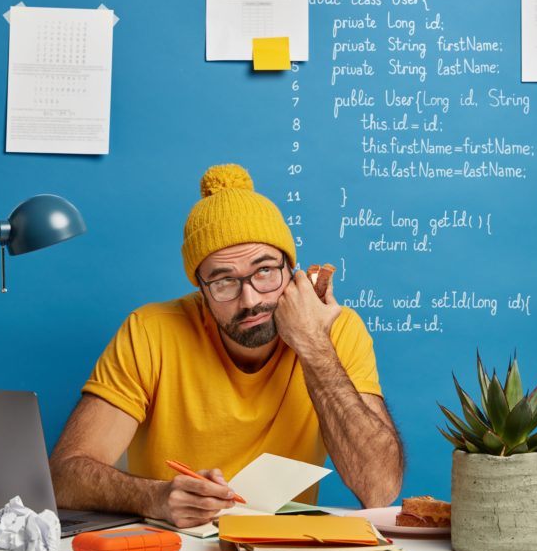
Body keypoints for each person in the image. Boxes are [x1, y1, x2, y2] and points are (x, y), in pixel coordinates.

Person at [50, 164, 404, 528]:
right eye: (223, 281)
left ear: (292, 270)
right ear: (201, 290)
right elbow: (63, 476)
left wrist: (312, 344)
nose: (250, 299)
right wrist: (153, 496)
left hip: (281, 548)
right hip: (174, 548)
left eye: (265, 271)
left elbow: (378, 489)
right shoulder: (150, 331)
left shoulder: (334, 330)